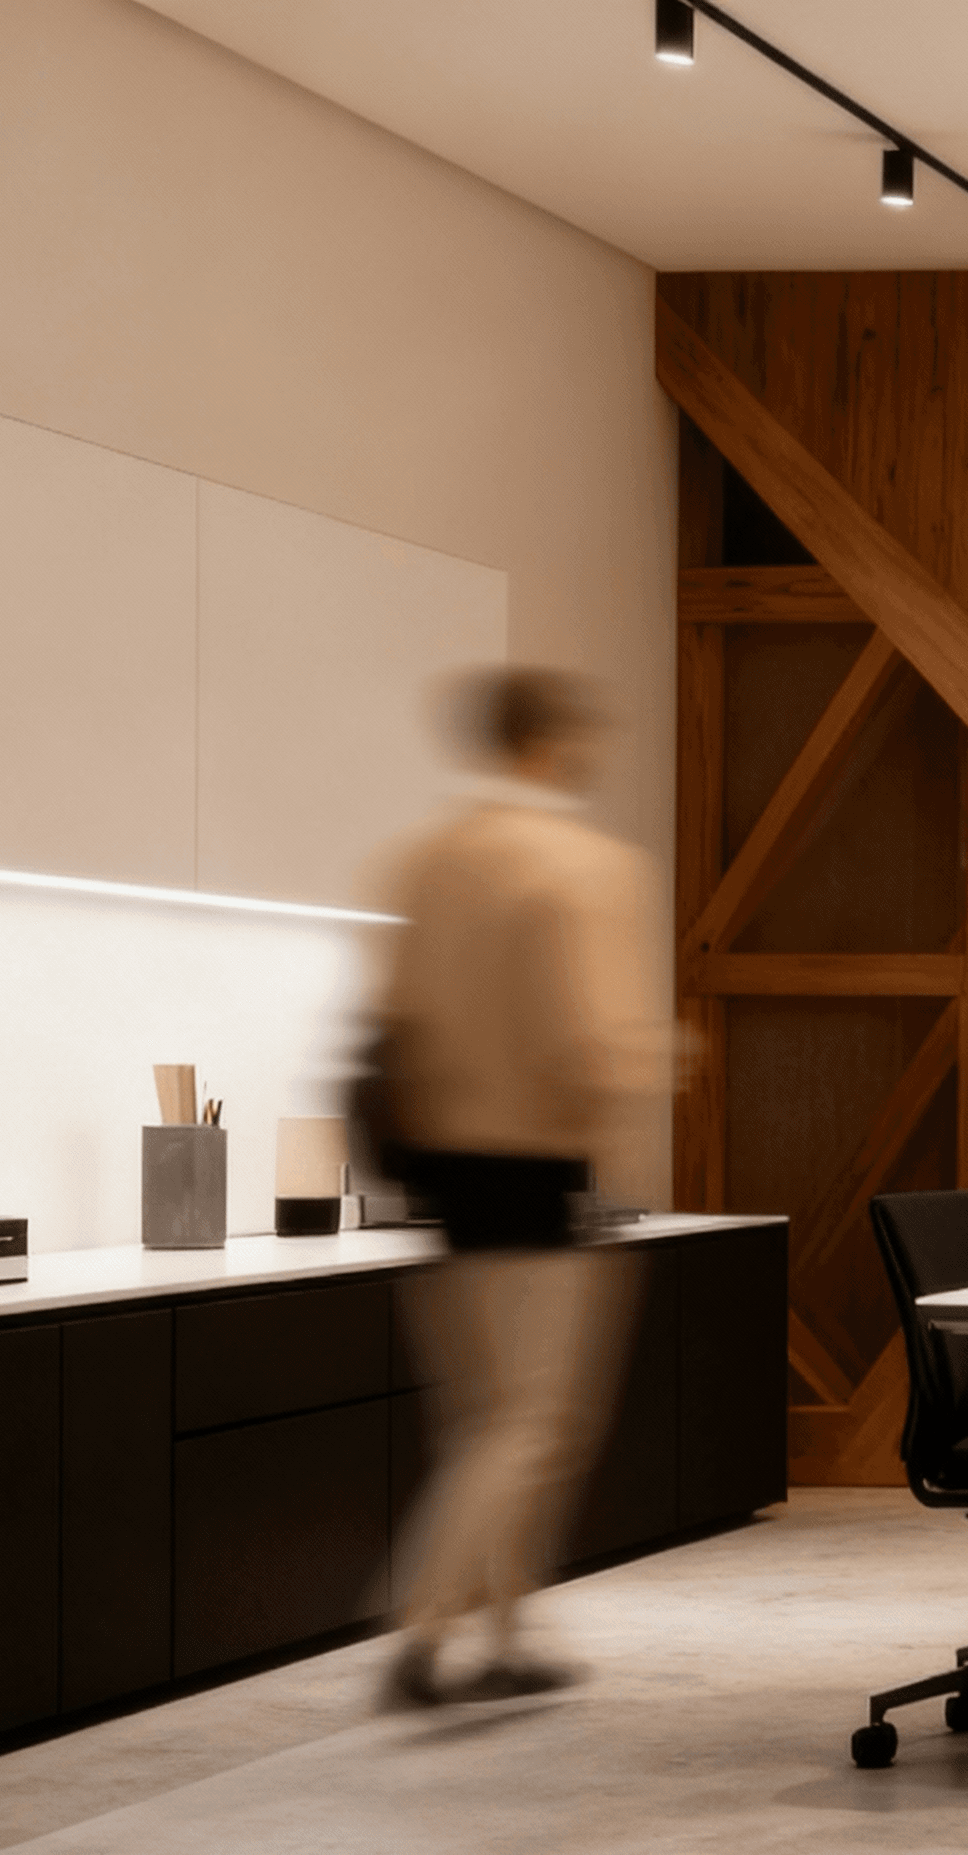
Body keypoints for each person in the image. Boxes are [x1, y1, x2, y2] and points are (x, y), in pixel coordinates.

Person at [374, 668, 672, 1708]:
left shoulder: (425, 860)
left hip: (439, 1182)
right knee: (534, 1425)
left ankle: (506, 1637)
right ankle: (420, 1626)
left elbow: (396, 1020)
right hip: (539, 1175)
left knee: (480, 1422)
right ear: (554, 742)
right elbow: (595, 1047)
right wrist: (658, 1065)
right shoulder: (586, 869)